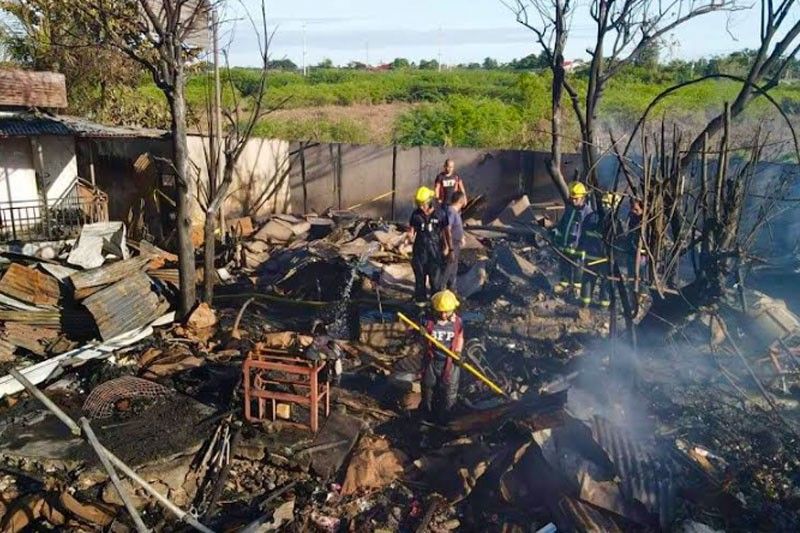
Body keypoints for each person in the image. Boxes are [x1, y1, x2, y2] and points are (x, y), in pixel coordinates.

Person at [421, 290, 463, 423]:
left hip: (450, 363)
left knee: (449, 394)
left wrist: (458, 352)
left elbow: (460, 337)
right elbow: (418, 340)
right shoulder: (428, 322)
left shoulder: (457, 322)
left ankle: (447, 421)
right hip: (432, 361)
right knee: (428, 390)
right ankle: (427, 418)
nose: (443, 315)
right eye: (440, 312)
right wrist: (420, 334)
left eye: (447, 312)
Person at [407, 186, 451, 305]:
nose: (421, 206)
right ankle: (420, 307)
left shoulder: (440, 214)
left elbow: (445, 231)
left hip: (435, 251)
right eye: (418, 204)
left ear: (429, 201)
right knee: (420, 282)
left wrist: (447, 247)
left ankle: (435, 306)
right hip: (420, 253)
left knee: (435, 281)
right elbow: (411, 230)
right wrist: (409, 237)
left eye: (423, 204)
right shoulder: (415, 215)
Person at [552, 181, 594, 298]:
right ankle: (564, 283)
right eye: (572, 198)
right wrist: (556, 234)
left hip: (579, 247)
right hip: (566, 245)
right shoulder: (570, 209)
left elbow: (588, 232)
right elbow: (563, 224)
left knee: (578, 267)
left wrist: (584, 246)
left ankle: (576, 288)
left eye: (576, 198)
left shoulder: (588, 212)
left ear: (583, 198)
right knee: (564, 263)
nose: (573, 201)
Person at [580, 192, 621, 308]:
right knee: (606, 281)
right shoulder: (615, 222)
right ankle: (604, 304)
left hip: (591, 255)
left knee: (588, 279)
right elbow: (619, 241)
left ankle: (585, 302)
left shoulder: (591, 216)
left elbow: (583, 235)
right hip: (605, 258)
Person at [443, 191, 467, 292]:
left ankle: (452, 288)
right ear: (461, 201)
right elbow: (446, 229)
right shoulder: (451, 212)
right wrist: (448, 247)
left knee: (453, 267)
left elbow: (456, 227)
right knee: (448, 268)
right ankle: (441, 289)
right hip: (452, 244)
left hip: (456, 243)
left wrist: (462, 237)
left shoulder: (455, 212)